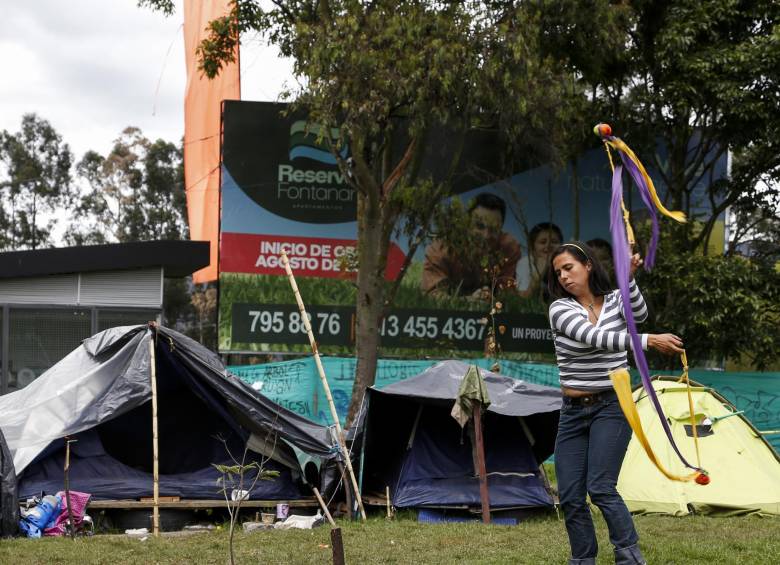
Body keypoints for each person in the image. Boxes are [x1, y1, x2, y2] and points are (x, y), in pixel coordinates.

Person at [547, 242, 684, 565]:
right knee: (569, 495)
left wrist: (628, 278)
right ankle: (583, 559)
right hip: (572, 412)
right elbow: (596, 337)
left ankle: (630, 558)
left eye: (569, 267)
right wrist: (649, 340)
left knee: (601, 487)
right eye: (558, 272)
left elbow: (639, 315)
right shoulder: (560, 309)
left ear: (588, 266)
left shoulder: (615, 301)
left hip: (613, 405)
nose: (564, 276)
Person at [421, 193, 521, 300]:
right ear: (466, 224)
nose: (486, 235)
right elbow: (431, 293)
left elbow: (507, 294)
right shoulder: (441, 248)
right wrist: (468, 300)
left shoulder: (509, 248)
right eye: (479, 226)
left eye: (494, 229)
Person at [516, 222, 563, 296]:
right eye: (542, 242)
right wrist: (538, 274)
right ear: (532, 247)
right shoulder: (525, 263)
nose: (548, 245)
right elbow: (522, 297)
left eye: (554, 242)